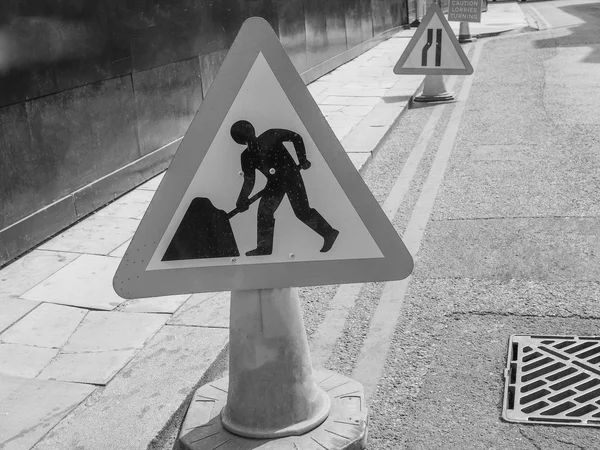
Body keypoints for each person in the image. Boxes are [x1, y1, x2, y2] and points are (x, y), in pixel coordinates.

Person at [231, 120, 339, 256]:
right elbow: (249, 180)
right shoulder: (246, 156)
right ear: (241, 141)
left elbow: (295, 137)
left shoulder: (270, 135)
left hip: (291, 176)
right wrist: (242, 198)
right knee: (264, 212)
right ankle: (264, 247)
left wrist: (302, 159)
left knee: (302, 211)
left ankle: (329, 233)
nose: (250, 141)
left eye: (249, 136)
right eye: (246, 139)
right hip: (274, 184)